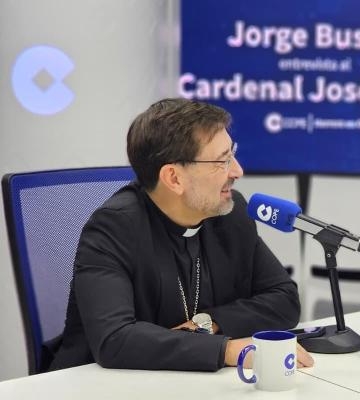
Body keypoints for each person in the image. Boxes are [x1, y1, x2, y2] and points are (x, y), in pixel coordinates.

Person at [50, 98, 313, 371]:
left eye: (232, 154)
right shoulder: (112, 229)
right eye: (222, 161)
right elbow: (114, 340)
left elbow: (284, 299)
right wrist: (228, 350)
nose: (237, 171)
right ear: (174, 178)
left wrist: (208, 323)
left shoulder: (230, 214)